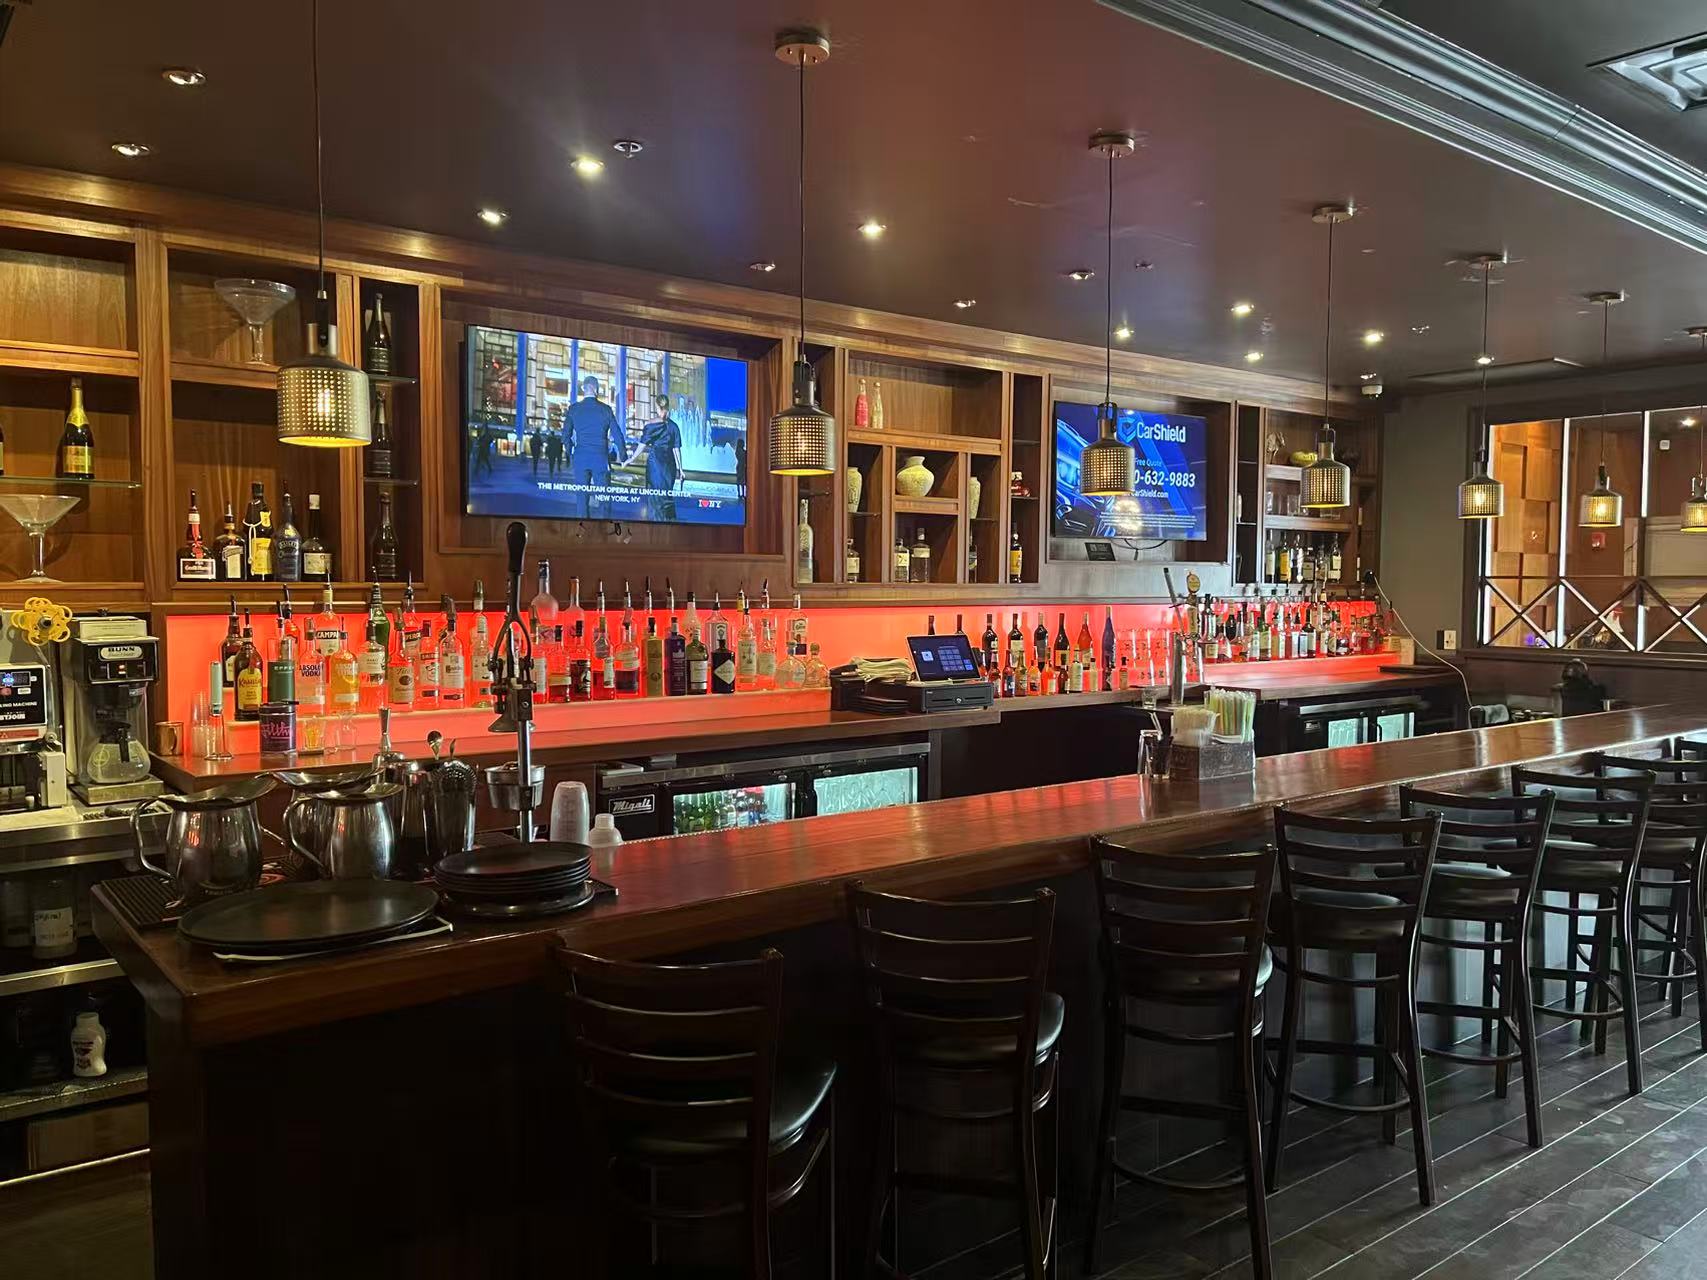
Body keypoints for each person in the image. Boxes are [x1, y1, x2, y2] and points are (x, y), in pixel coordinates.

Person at [564, 376, 629, 517]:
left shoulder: (574, 409)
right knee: (604, 499)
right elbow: (617, 435)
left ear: (585, 388)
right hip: (600, 459)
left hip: (581, 458)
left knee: (581, 499)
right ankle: (604, 530)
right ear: (595, 388)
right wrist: (623, 456)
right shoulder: (605, 410)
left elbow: (565, 436)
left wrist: (570, 453)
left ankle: (583, 531)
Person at [638, 408, 685, 522]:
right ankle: (668, 525)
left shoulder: (652, 425)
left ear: (658, 408)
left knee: (654, 497)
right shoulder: (674, 426)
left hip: (655, 465)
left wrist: (629, 459)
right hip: (669, 466)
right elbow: (676, 449)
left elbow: (642, 445)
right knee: (666, 496)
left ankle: (656, 525)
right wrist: (681, 469)